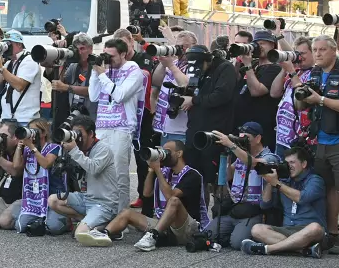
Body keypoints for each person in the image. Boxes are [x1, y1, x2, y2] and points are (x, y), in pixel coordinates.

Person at [301, 35, 339, 255]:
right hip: (321, 139)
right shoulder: (314, 72)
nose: (317, 53)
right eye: (315, 49)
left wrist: (320, 99)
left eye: (322, 50)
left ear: (334, 51)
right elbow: (302, 105)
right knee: (328, 188)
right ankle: (332, 233)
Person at [105, 140, 209, 251]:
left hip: (188, 229)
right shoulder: (166, 172)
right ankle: (103, 234)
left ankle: (153, 236)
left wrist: (158, 170)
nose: (163, 154)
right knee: (126, 213)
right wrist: (151, 170)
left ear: (179, 153)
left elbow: (170, 197)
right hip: (165, 225)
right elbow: (146, 193)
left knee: (174, 201)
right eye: (162, 151)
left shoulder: (192, 175)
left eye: (167, 152)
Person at [88, 38, 145, 212]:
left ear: (123, 54)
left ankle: (121, 218)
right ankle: (104, 213)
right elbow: (93, 96)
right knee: (101, 173)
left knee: (119, 175)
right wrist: (95, 72)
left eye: (112, 56)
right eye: (106, 55)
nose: (108, 59)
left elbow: (120, 95)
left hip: (121, 128)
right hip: (102, 126)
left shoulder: (133, 70)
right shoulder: (104, 70)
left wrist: (102, 74)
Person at [204, 122, 280, 249]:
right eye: (241, 137)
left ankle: (241, 235)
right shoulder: (241, 157)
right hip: (235, 209)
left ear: (258, 138)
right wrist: (227, 155)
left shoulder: (269, 157)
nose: (243, 141)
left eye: (247, 138)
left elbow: (255, 163)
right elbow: (228, 176)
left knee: (237, 243)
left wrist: (232, 145)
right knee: (207, 235)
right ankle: (231, 233)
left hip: (254, 212)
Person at [241, 147, 327, 257]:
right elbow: (265, 204)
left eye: (292, 162)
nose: (289, 166)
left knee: (315, 228)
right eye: (286, 163)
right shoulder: (284, 181)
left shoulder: (315, 180)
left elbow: (301, 198)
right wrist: (269, 182)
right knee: (257, 229)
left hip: (309, 231)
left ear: (304, 164)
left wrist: (277, 183)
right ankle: (303, 250)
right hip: (288, 229)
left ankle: (268, 248)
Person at [47, 115, 118, 241]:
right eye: (74, 133)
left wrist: (74, 150)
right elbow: (59, 171)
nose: (77, 137)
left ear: (91, 133)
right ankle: (87, 221)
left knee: (80, 234)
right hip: (85, 199)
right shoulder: (78, 149)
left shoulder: (103, 149)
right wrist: (64, 155)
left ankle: (107, 226)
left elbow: (93, 168)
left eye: (80, 133)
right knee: (53, 200)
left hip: (103, 203)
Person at [182, 44, 237, 196]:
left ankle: (218, 214)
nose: (199, 70)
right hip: (194, 130)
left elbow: (221, 96)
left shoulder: (225, 68)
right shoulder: (193, 70)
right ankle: (197, 215)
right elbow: (191, 91)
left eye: (201, 66)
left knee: (215, 180)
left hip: (215, 132)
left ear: (208, 60)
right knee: (194, 177)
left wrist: (194, 100)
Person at [2, 118, 60, 233]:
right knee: (20, 227)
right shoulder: (28, 149)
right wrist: (20, 146)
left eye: (34, 131)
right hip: (32, 199)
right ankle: (36, 219)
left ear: (43, 133)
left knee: (53, 227)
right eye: (29, 130)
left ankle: (65, 220)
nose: (31, 133)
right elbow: (16, 166)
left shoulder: (54, 147)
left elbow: (46, 164)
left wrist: (32, 147)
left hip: (51, 197)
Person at [270, 37, 314, 156]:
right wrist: (284, 70)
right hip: (282, 135)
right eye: (297, 53)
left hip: (300, 138)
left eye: (303, 53)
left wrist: (291, 71)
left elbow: (303, 96)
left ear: (314, 52)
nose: (299, 57)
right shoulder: (297, 72)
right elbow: (274, 93)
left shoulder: (316, 73)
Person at [0, 30, 41, 126]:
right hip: (6, 118)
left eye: (8, 44)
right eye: (3, 44)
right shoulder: (9, 63)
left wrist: (1, 67)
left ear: (19, 45)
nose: (6, 47)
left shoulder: (29, 60)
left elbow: (19, 85)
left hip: (25, 119)